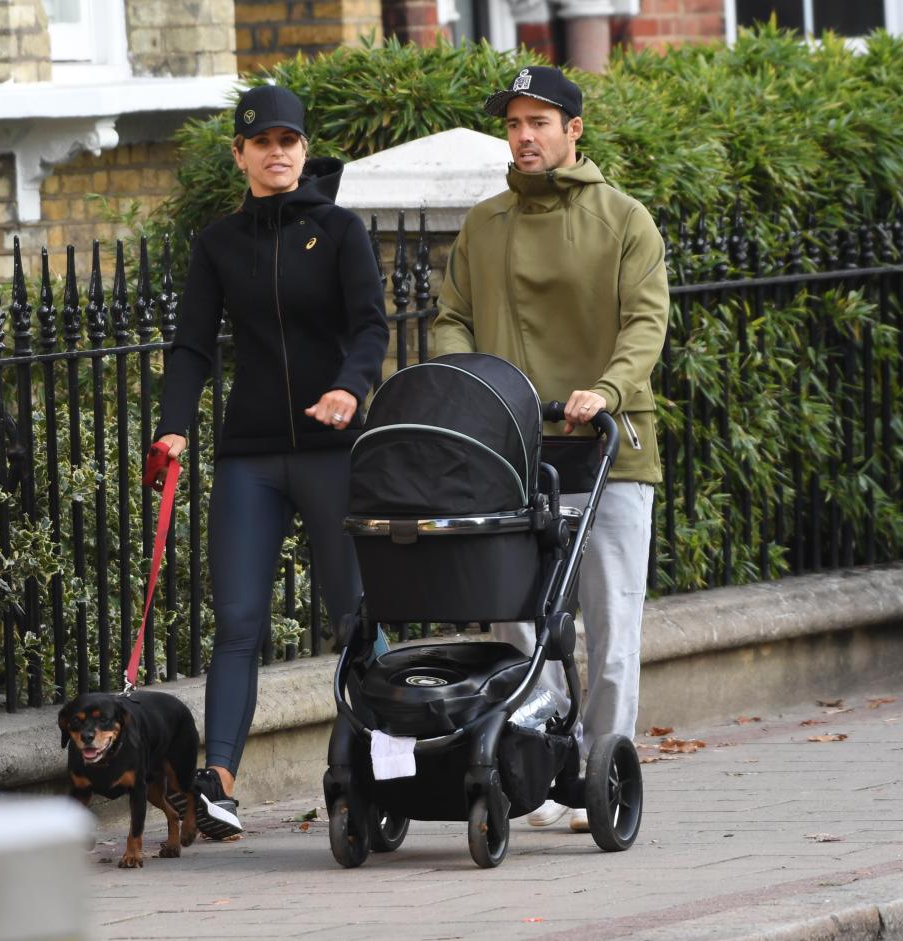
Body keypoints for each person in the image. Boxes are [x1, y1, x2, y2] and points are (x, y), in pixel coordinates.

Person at [150, 84, 389, 839]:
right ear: (241, 154)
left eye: (289, 140)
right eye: (263, 142)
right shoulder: (218, 243)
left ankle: (379, 763)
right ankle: (216, 783)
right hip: (250, 456)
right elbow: (191, 345)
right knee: (239, 621)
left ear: (304, 150)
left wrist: (350, 391)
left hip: (330, 451)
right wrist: (174, 427)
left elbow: (370, 329)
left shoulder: (342, 231)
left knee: (355, 615)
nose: (278, 152)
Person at [434, 65, 668, 832]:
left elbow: (645, 322)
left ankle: (603, 767)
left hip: (607, 445)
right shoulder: (483, 225)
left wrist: (606, 386)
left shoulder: (623, 218)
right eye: (513, 124)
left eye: (540, 122)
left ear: (575, 130)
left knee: (609, 627)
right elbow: (452, 318)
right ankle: (536, 757)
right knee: (520, 623)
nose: (524, 136)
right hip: (514, 449)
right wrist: (465, 386)